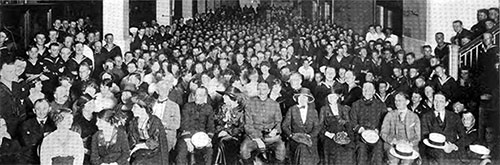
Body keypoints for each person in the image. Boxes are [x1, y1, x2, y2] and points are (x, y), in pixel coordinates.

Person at [241, 82, 286, 164]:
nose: (261, 92)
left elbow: (278, 122)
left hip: (270, 137)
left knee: (281, 148)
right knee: (244, 149)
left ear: (268, 91)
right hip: (254, 136)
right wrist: (257, 139)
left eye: (264, 89)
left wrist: (275, 131)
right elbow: (248, 125)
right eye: (259, 89)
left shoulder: (274, 104)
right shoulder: (249, 104)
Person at [421, 93, 465, 164]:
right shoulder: (426, 117)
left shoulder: (454, 117)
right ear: (432, 101)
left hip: (452, 151)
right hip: (432, 151)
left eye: (441, 101)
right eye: (435, 101)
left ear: (446, 103)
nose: (438, 104)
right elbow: (424, 136)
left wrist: (454, 146)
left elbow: (463, 136)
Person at [350, 82, 387, 165]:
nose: (367, 92)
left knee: (378, 152)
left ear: (374, 91)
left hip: (376, 135)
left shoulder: (380, 105)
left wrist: (378, 130)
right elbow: (353, 121)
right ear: (362, 91)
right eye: (365, 90)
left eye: (370, 90)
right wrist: (359, 129)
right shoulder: (356, 105)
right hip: (360, 135)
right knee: (361, 152)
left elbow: (385, 121)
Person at [282, 88, 321, 165]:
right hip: (296, 139)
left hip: (310, 139)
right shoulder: (292, 109)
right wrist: (291, 135)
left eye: (304, 97)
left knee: (304, 147)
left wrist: (310, 136)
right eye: (300, 97)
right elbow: (285, 125)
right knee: (301, 147)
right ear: (297, 99)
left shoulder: (313, 111)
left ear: (307, 99)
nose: (302, 99)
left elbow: (317, 127)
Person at [176, 87, 214, 165]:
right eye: (195, 95)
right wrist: (188, 141)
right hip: (187, 136)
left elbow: (210, 126)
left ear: (205, 96)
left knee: (209, 153)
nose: (197, 97)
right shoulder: (187, 106)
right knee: (181, 154)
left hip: (202, 138)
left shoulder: (209, 108)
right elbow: (184, 124)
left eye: (200, 95)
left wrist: (208, 140)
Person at [380, 92, 421, 165]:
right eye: (396, 100)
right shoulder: (389, 115)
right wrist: (392, 141)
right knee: (393, 162)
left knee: (407, 162)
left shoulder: (414, 117)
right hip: (392, 145)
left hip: (409, 146)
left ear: (407, 102)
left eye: (400, 100)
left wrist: (410, 143)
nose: (397, 103)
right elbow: (383, 133)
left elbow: (418, 136)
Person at [128, 94, 169, 165]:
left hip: (154, 152)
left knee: (138, 162)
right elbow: (131, 140)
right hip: (138, 151)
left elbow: (156, 143)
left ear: (143, 108)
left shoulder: (154, 121)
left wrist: (139, 146)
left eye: (135, 107)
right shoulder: (133, 122)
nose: (132, 109)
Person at [319, 88, 355, 164]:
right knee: (335, 149)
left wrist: (346, 133)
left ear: (337, 97)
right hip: (329, 135)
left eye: (334, 97)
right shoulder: (324, 109)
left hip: (343, 133)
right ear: (327, 98)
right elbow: (320, 125)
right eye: (330, 97)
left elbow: (348, 124)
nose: (332, 99)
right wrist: (328, 134)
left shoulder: (343, 108)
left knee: (349, 149)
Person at [214, 86, 246, 165]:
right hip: (221, 133)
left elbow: (241, 128)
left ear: (232, 98)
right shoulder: (222, 107)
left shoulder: (241, 111)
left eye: (226, 96)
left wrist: (228, 132)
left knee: (222, 143)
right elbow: (216, 121)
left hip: (236, 137)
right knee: (216, 141)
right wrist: (221, 130)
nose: (223, 97)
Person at [19, 99, 56, 164]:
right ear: (34, 110)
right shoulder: (26, 124)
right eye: (38, 109)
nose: (41, 112)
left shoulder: (54, 124)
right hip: (31, 159)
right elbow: (27, 143)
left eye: (44, 108)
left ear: (49, 109)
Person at [151, 76, 180, 155]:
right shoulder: (152, 104)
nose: (165, 91)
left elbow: (177, 125)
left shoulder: (174, 106)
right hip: (151, 133)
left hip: (166, 134)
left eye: (166, 89)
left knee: (160, 152)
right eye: (162, 89)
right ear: (157, 91)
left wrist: (164, 124)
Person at [0, 55, 24, 140]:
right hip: (5, 127)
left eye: (14, 71)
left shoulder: (16, 86)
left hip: (19, 125)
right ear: (1, 73)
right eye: (9, 72)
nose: (13, 74)